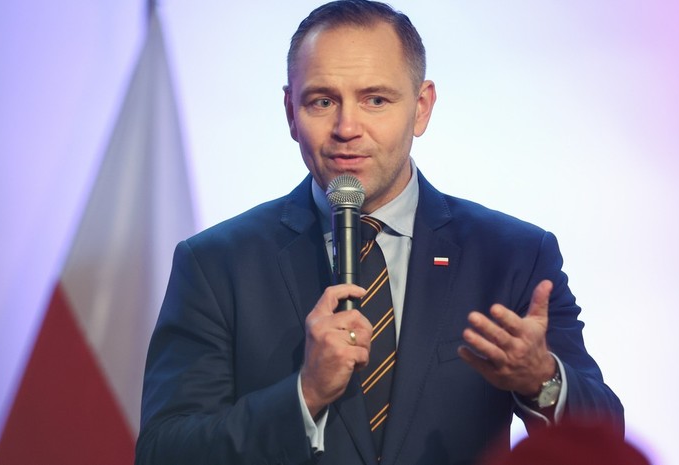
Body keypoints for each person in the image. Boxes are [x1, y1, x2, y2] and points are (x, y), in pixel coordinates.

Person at [135, 1, 624, 464]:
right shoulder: (217, 263)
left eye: (375, 100)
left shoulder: (512, 255)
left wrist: (542, 380)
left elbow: (606, 435)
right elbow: (163, 452)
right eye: (322, 101)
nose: (347, 127)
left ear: (421, 107)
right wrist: (304, 395)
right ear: (290, 113)